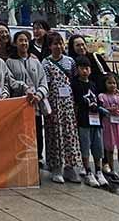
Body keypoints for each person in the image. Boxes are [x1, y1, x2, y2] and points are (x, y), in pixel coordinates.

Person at [42, 32, 82, 184]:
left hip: (68, 105)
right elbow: (46, 84)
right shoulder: (45, 63)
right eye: (54, 44)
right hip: (54, 104)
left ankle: (70, 167)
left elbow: (73, 80)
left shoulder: (70, 61)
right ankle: (56, 167)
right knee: (55, 135)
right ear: (50, 46)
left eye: (60, 43)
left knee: (69, 134)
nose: (58, 46)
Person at [6, 30, 49, 166]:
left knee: (35, 130)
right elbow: (9, 81)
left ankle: (38, 158)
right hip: (18, 105)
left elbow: (43, 82)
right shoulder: (9, 62)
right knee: (19, 132)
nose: (24, 43)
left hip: (35, 105)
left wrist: (39, 95)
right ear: (15, 43)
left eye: (26, 40)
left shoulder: (36, 62)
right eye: (20, 40)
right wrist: (23, 87)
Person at [72, 56, 109, 188]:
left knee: (97, 146)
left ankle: (98, 170)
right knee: (85, 146)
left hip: (96, 120)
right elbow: (77, 101)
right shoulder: (75, 84)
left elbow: (98, 99)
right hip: (83, 120)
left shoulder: (93, 84)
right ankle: (88, 171)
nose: (85, 71)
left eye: (87, 68)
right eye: (82, 68)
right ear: (77, 70)